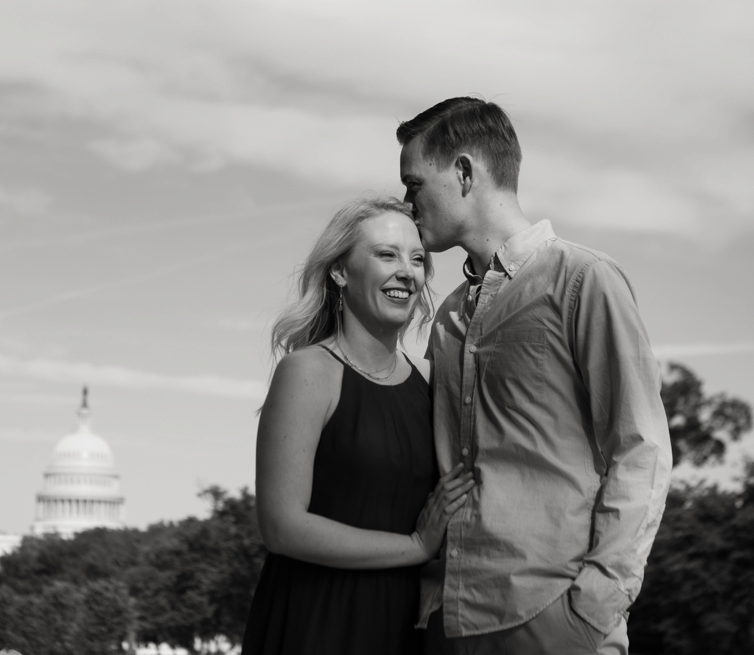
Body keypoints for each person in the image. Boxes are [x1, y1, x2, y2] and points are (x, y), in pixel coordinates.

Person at [396, 97, 673, 654]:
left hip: (552, 616)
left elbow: (640, 447)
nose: (407, 203)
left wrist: (594, 604)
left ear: (465, 172)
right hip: (446, 619)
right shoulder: (446, 317)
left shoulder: (583, 280)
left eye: (414, 184)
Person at [241, 196, 475, 655]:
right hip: (317, 622)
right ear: (341, 272)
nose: (407, 272)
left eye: (417, 259)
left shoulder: (431, 382)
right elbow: (281, 526)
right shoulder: (308, 372)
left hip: (406, 627)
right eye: (386, 254)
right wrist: (415, 546)